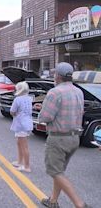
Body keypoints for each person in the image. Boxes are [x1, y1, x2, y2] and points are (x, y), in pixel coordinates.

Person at [36, 62, 90, 208]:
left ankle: (79, 204)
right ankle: (53, 201)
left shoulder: (55, 92)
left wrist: (42, 109)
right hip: (74, 138)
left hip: (59, 138)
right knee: (59, 171)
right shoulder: (78, 91)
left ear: (58, 76)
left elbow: (45, 118)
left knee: (55, 172)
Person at [10, 82, 32, 173]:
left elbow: (12, 111)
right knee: (19, 143)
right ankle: (19, 162)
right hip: (27, 123)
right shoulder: (29, 98)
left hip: (21, 124)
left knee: (24, 146)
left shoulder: (17, 99)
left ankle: (26, 166)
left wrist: (15, 115)